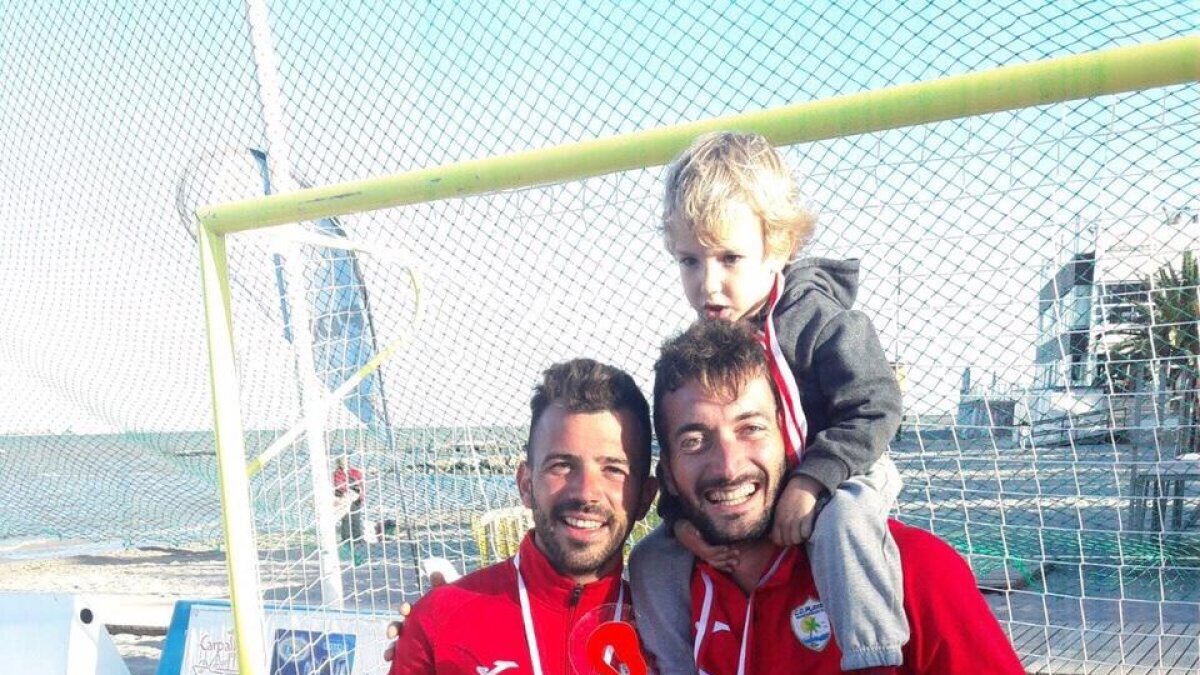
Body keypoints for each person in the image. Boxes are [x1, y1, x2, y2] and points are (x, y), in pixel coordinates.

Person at [631, 131, 908, 671]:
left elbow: (876, 404)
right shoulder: (710, 342)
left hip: (847, 470)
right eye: (690, 261)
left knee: (844, 522)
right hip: (763, 492)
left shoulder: (816, 319)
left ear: (778, 247)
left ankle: (873, 656)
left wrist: (810, 482)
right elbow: (685, 452)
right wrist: (682, 523)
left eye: (730, 258)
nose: (708, 284)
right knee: (653, 557)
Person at [646, 320, 1023, 673]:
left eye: (751, 428)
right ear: (668, 478)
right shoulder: (663, 594)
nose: (728, 467)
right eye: (694, 442)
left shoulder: (911, 569)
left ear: (792, 440)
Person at [388, 359, 658, 675]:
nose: (586, 493)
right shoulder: (437, 622)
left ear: (645, 497)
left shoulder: (675, 630)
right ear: (526, 485)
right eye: (561, 465)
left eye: (614, 469)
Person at [333, 455, 366, 564]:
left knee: (356, 519)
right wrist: (343, 494)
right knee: (346, 520)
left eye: (345, 461)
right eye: (341, 461)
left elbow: (361, 485)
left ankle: (358, 539)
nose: (343, 463)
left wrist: (361, 497)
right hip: (344, 499)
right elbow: (337, 486)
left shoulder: (356, 472)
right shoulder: (337, 474)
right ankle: (346, 540)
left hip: (355, 498)